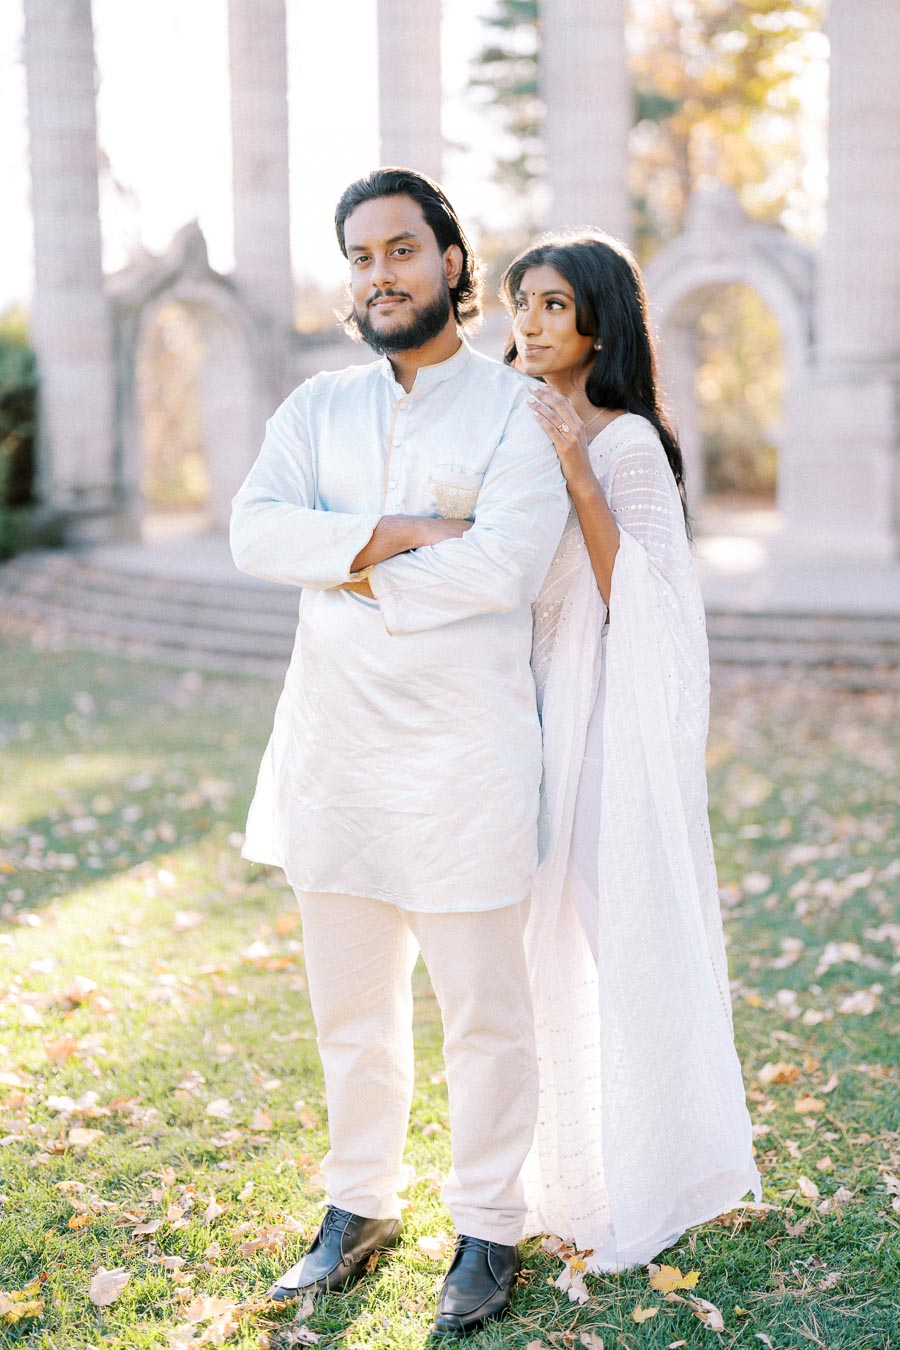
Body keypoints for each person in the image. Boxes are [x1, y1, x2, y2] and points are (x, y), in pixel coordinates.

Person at [229, 168, 569, 1335]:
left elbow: (507, 568)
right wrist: (403, 534)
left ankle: (488, 1224)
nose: (380, 274)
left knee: (485, 1009)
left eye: (402, 251)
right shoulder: (313, 411)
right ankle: (359, 1206)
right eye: (362, 256)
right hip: (333, 756)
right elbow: (253, 529)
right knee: (350, 1009)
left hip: (465, 758)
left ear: (453, 261)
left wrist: (346, 570)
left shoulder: (518, 410)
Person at [501, 232, 762, 1270]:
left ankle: (665, 1171)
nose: (527, 320)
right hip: (532, 715)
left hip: (608, 717)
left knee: (622, 933)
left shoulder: (628, 444)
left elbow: (641, 599)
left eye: (553, 305)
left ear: (598, 325)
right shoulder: (509, 422)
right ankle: (562, 1174)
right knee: (539, 940)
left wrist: (574, 460)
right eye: (521, 301)